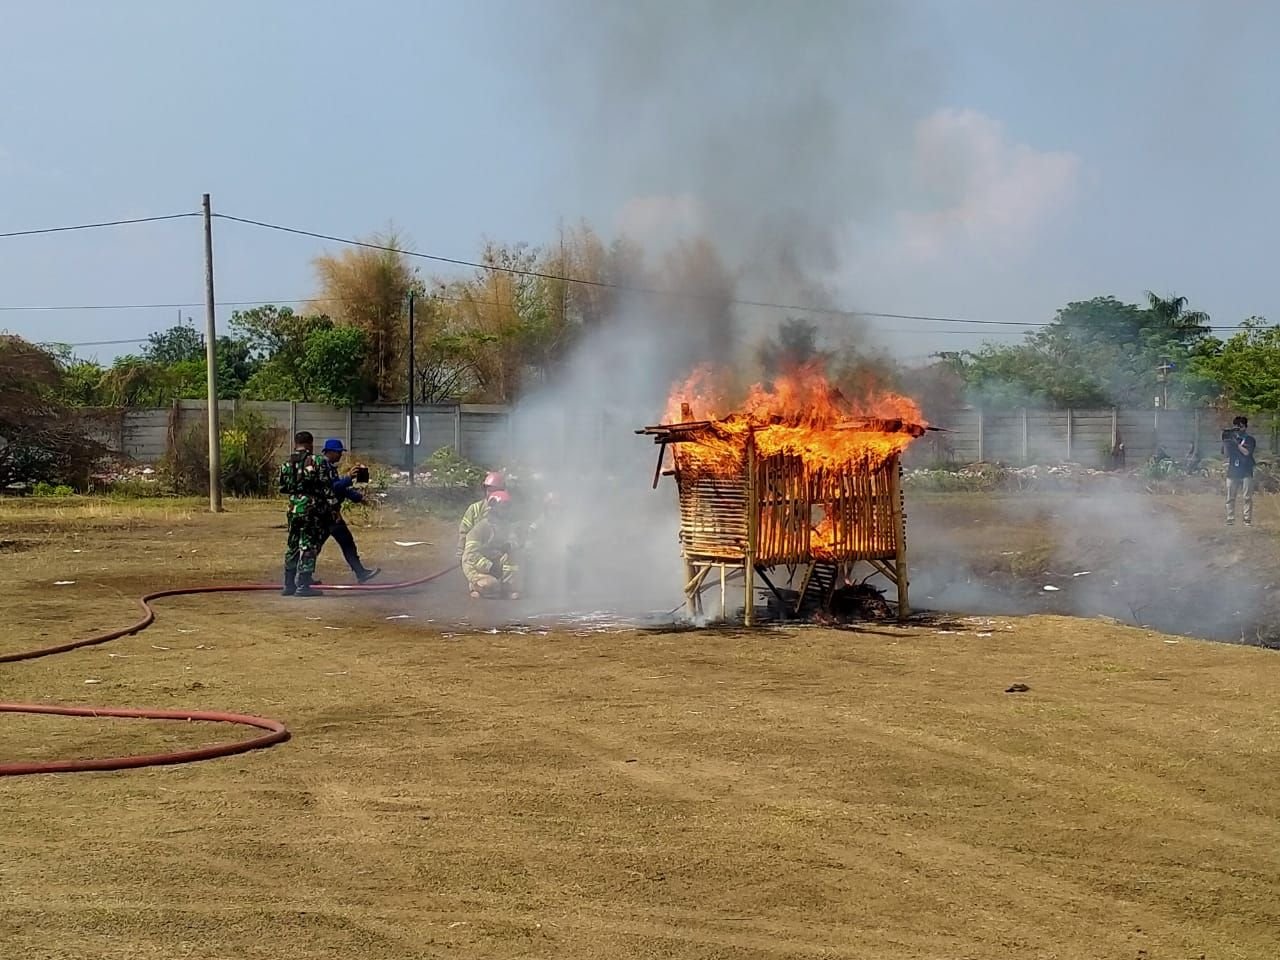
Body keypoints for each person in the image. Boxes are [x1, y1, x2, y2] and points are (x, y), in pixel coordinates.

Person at [301, 436, 380, 584]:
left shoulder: (330, 467)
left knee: (316, 546)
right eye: (338, 452)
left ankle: (304, 577)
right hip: (327, 513)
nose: (340, 455)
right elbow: (333, 488)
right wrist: (349, 478)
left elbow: (340, 489)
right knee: (344, 543)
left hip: (326, 513)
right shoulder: (323, 466)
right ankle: (360, 573)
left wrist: (359, 498)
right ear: (329, 452)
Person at [278, 431, 338, 598]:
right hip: (311, 508)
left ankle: (289, 584)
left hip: (293, 507)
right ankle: (304, 584)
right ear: (310, 444)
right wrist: (334, 508)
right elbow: (327, 487)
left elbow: (282, 487)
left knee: (292, 544)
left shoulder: (286, 463)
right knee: (308, 544)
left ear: (295, 443)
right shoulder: (318, 461)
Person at [461, 490, 520, 600]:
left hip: (495, 562)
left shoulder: (506, 526)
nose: (506, 511)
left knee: (513, 557)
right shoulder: (481, 528)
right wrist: (490, 567)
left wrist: (510, 546)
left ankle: (507, 587)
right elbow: (471, 555)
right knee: (491, 585)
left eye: (507, 507)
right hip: (476, 567)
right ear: (494, 508)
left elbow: (515, 541)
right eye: (503, 507)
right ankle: (475, 587)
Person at [457, 470, 506, 557]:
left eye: (495, 490)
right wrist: (461, 554)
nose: (492, 493)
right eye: (489, 490)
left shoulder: (507, 509)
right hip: (477, 556)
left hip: (499, 556)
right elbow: (464, 533)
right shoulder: (474, 509)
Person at [1223, 415, 1257, 527]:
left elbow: (1247, 453)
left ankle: (1247, 520)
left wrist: (1237, 443)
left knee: (1247, 497)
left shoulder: (1250, 439)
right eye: (1236, 426)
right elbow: (1226, 455)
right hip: (1233, 470)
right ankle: (1230, 518)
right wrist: (1226, 442)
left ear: (1245, 427)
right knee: (1230, 497)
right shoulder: (1231, 440)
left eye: (1240, 426)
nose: (1238, 429)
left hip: (1246, 470)